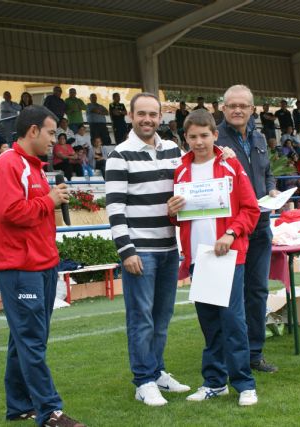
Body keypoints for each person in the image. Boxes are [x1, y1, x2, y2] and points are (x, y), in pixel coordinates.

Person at [0, 105, 84, 427]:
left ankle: (18, 406)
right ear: (32, 131)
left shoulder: (35, 167)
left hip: (42, 265)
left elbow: (35, 210)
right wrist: (50, 201)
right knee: (30, 340)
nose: (54, 140)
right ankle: (50, 412)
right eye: (51, 132)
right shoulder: (7, 164)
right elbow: (10, 212)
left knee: (26, 340)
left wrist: (51, 197)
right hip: (20, 268)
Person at [167, 109, 259, 406]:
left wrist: (231, 234)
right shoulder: (181, 171)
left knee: (232, 320)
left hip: (228, 255)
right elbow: (179, 219)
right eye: (192, 136)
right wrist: (171, 211)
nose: (199, 142)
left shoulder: (229, 164)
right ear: (185, 138)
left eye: (204, 135)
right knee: (209, 323)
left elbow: (251, 209)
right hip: (199, 257)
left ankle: (244, 384)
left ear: (215, 135)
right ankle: (214, 382)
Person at [105, 92, 191, 406]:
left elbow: (188, 187)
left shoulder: (173, 150)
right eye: (141, 114)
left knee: (162, 316)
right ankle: (143, 381)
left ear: (160, 117)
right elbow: (115, 207)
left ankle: (156, 372)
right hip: (140, 251)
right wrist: (126, 250)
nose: (148, 120)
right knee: (141, 318)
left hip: (169, 248)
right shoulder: (120, 154)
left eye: (153, 114)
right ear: (130, 116)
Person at [216, 84, 279, 373]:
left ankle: (254, 353)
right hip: (233, 228)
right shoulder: (214, 138)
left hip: (262, 225)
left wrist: (272, 190)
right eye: (232, 105)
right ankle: (231, 355)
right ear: (223, 108)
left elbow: (267, 173)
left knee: (258, 291)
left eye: (243, 106)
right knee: (231, 294)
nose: (238, 110)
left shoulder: (259, 137)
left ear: (252, 109)